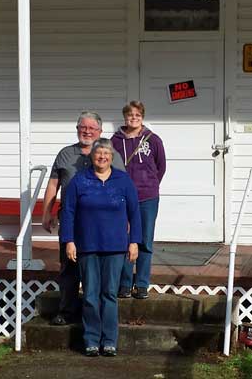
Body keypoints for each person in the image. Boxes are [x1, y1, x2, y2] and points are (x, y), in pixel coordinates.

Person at [42, 111, 125, 326]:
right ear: (77, 129)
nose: (87, 132)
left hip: (100, 224)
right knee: (69, 266)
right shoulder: (65, 154)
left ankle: (96, 314)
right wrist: (46, 212)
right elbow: (53, 184)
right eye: (83, 127)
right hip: (71, 219)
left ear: (100, 131)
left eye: (92, 128)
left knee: (97, 269)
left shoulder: (109, 154)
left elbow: (123, 187)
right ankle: (67, 310)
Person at [60, 138, 141, 356]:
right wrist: (69, 240)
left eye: (106, 153)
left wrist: (134, 241)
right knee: (89, 294)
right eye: (98, 153)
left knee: (109, 295)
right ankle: (91, 339)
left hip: (115, 247)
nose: (102, 157)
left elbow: (135, 212)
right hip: (87, 247)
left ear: (112, 157)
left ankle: (110, 340)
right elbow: (68, 212)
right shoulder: (79, 180)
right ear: (92, 156)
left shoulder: (123, 180)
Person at [111, 100, 166, 300]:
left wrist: (149, 185)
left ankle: (142, 284)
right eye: (130, 115)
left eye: (137, 115)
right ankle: (124, 284)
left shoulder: (153, 140)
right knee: (125, 239)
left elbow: (161, 166)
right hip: (123, 198)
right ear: (125, 117)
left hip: (148, 197)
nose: (133, 118)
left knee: (144, 241)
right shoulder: (115, 141)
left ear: (142, 117)